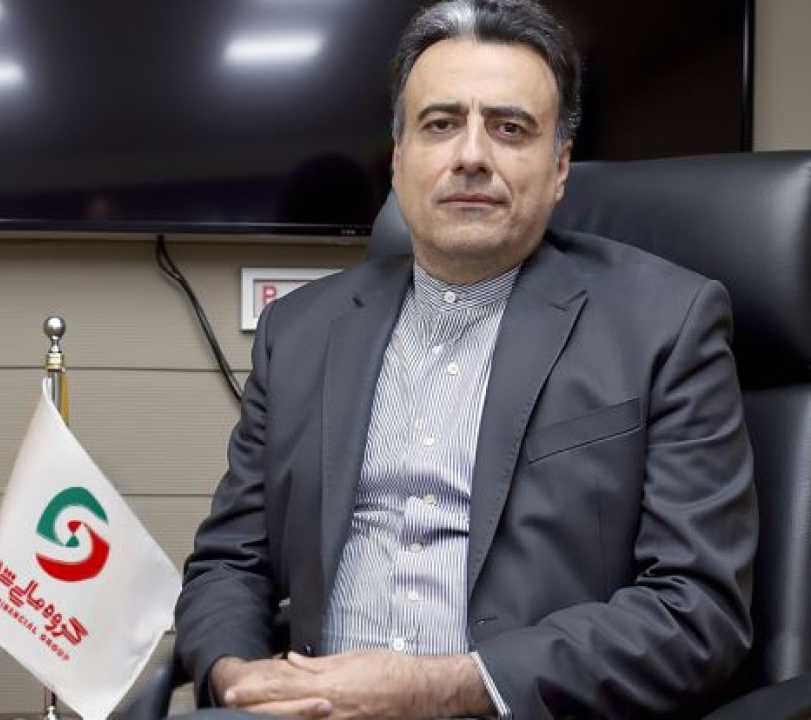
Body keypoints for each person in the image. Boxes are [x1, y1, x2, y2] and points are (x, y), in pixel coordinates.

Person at [174, 0, 758, 717]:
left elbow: (697, 612)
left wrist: (440, 688)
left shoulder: (667, 324)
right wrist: (236, 676)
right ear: (399, 160)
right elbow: (229, 562)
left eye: (510, 128)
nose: (472, 155)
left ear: (560, 166)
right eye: (441, 124)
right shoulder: (297, 332)